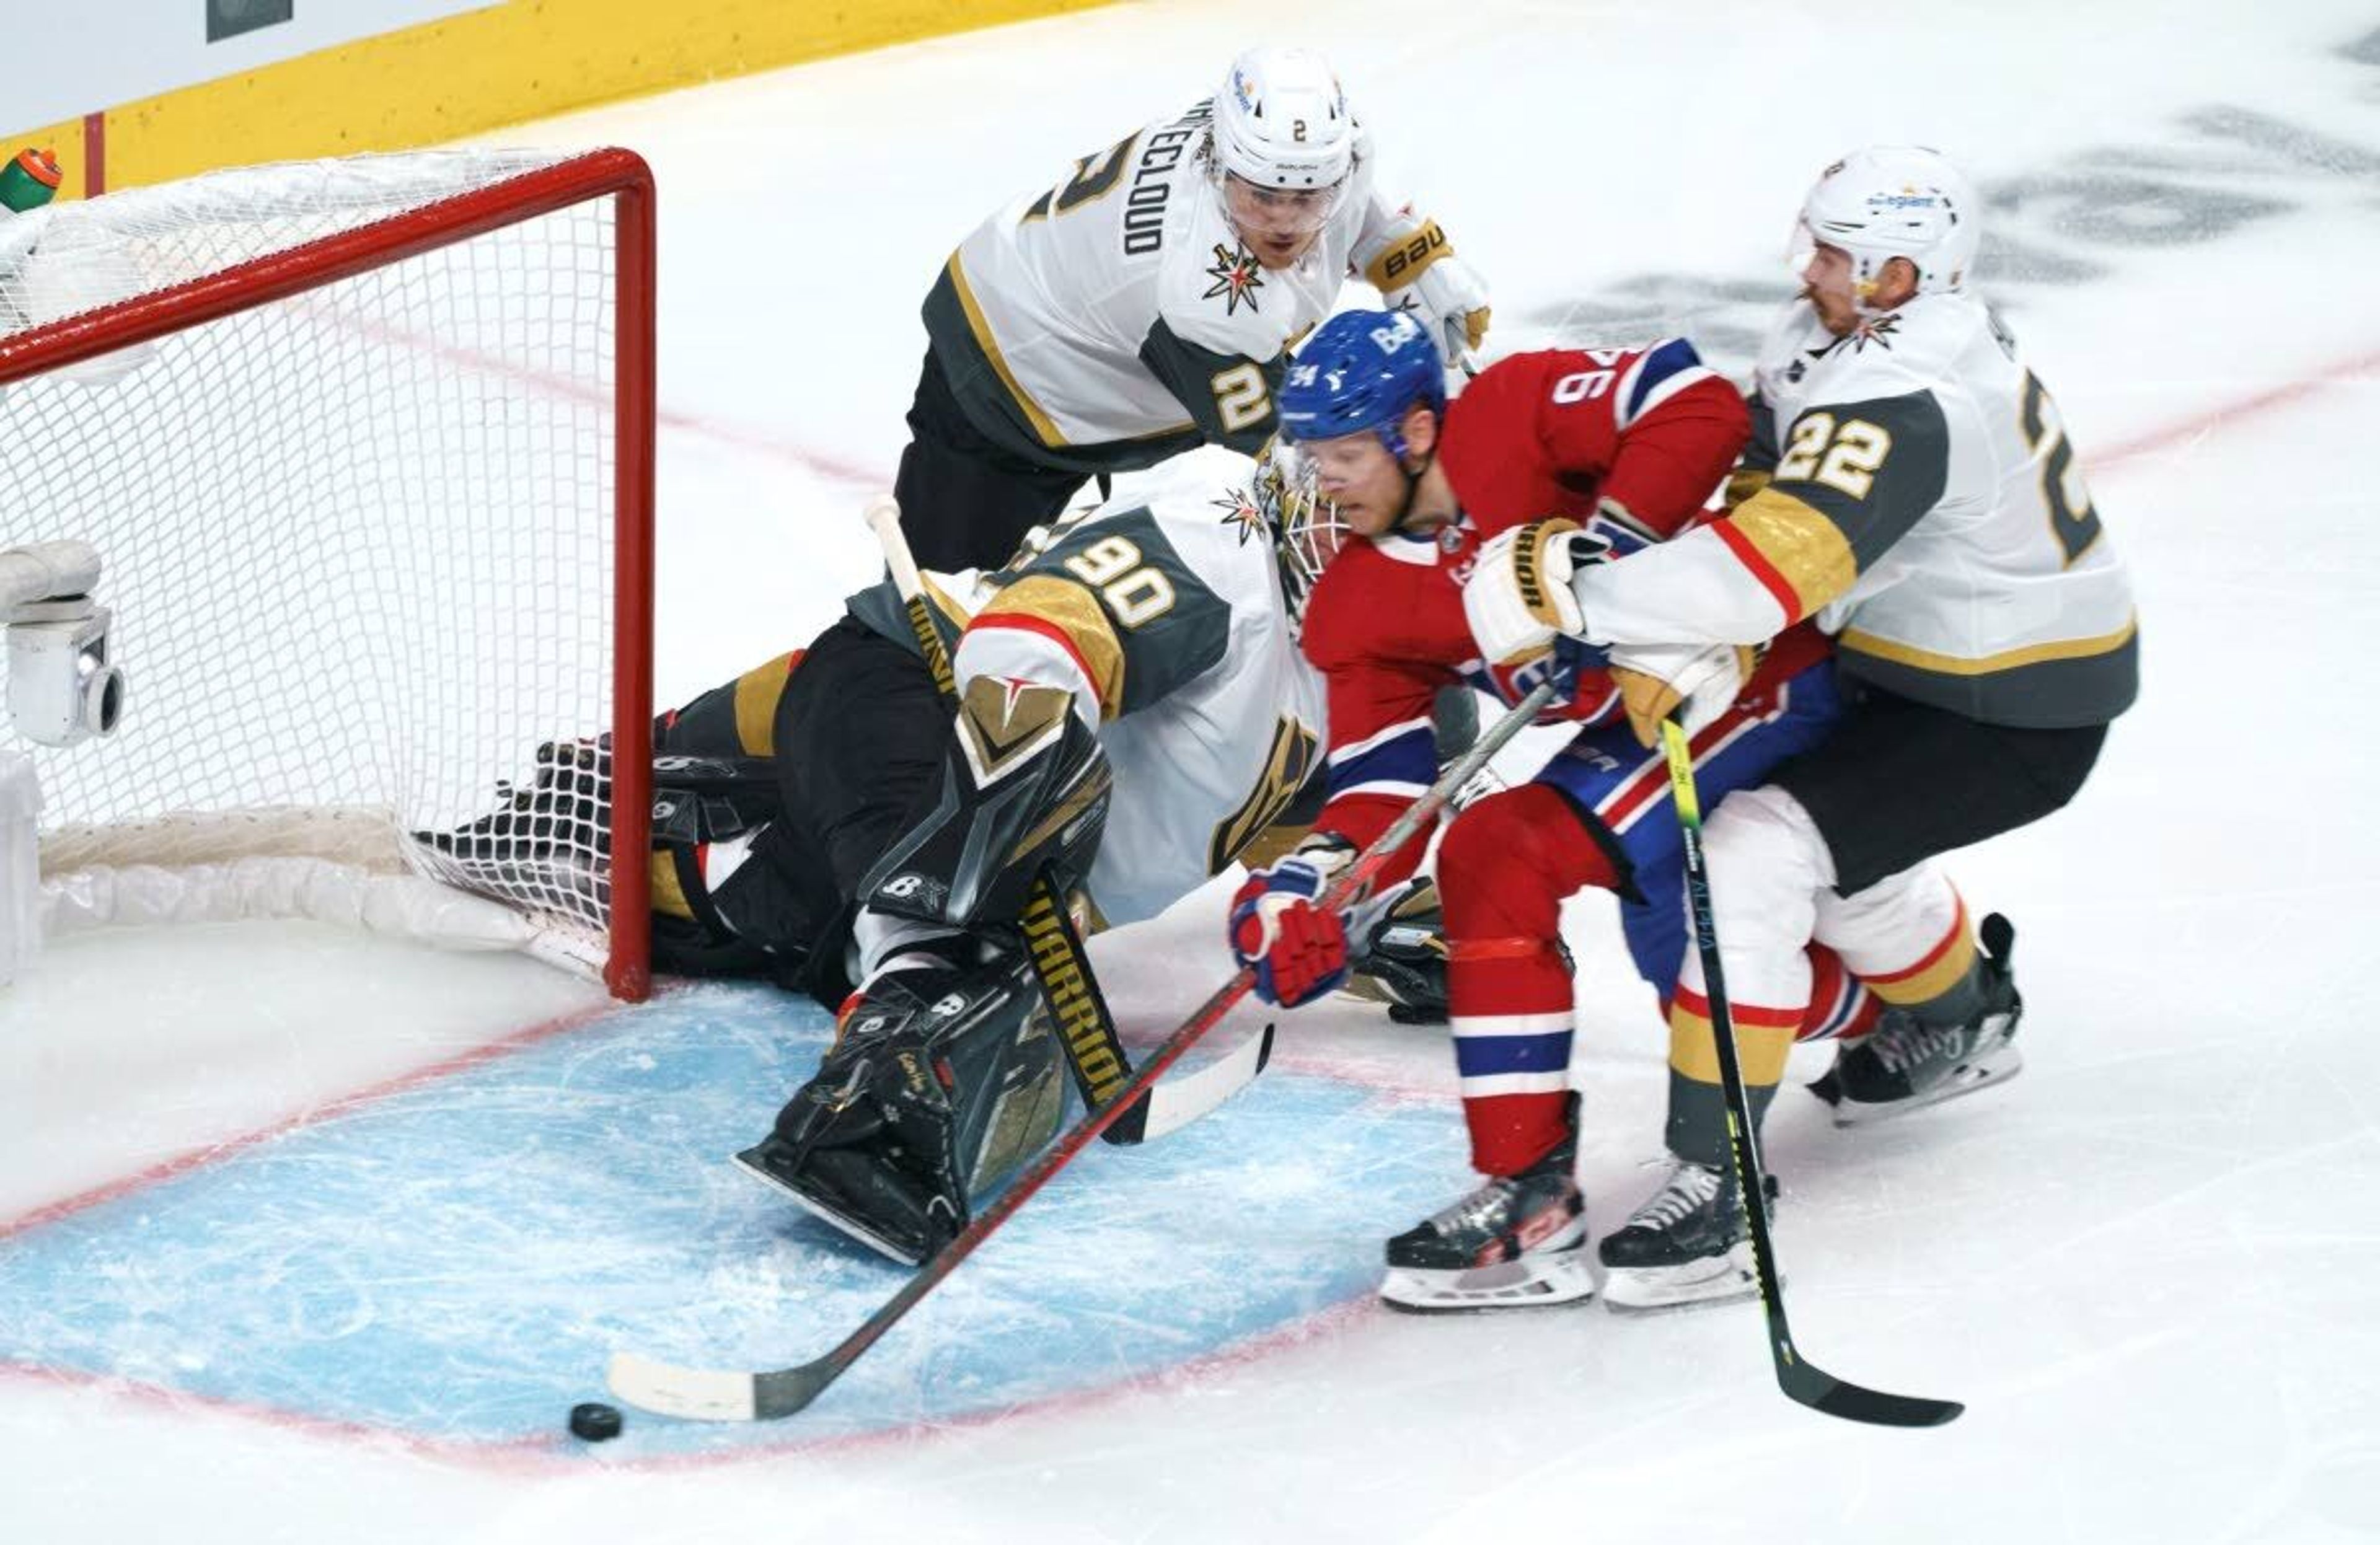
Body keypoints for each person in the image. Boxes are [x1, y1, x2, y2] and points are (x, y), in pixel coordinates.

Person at [1461, 145, 2137, 1301]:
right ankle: (1965, 1018)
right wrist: (1671, 615)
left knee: (1752, 859)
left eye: (1836, 254)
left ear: (1903, 274)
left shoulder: (1907, 387)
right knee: (1845, 873)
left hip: (2014, 705)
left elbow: (1768, 567)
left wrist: (1587, 597)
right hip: (1919, 668)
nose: (1808, 268)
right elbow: (1765, 508)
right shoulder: (1832, 340)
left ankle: (1716, 1183)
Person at [434, 447, 1335, 1263]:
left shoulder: (1356, 660)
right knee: (954, 942)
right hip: (916, 705)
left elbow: (1337, 847)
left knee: (737, 906)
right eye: (1338, 472)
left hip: (917, 812)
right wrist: (1006, 836)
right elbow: (1039, 642)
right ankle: (874, 1102)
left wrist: (1356, 922)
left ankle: (629, 802)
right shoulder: (1221, 526)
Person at [1222, 307, 1876, 1313]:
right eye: (1313, 457)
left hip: (1741, 667)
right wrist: (1313, 880)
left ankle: (1551, 1190)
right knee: (1683, 962)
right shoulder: (1359, 600)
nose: (1327, 482)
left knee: (1500, 853)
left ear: (1419, 430)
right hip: (1639, 738)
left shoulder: (1510, 409)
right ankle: (1912, 1011)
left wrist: (1608, 561)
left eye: (1348, 452)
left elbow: (1690, 399)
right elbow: (1386, 791)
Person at [896, 44, 1488, 574]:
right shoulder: (1200, 294)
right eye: (1262, 198)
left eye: (1306, 199)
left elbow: (1344, 194)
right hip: (1005, 374)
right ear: (1218, 167)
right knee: (936, 620)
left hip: (1116, 343)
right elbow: (1298, 470)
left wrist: (1401, 247)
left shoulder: (1311, 150)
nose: (1283, 224)